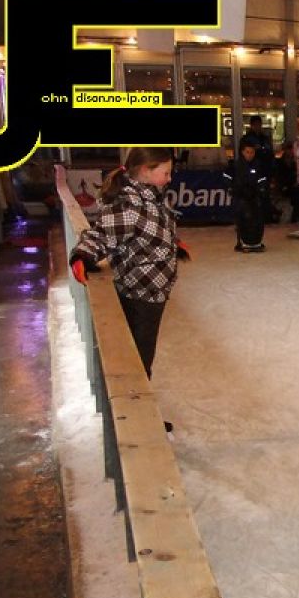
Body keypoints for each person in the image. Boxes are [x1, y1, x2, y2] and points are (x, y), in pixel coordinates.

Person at [68, 147, 190, 429]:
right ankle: (138, 422)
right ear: (146, 171)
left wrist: (172, 245)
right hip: (140, 295)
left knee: (141, 359)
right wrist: (82, 256)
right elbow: (101, 235)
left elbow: (150, 230)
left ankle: (139, 415)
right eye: (166, 173)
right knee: (137, 363)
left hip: (152, 291)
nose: (169, 178)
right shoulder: (129, 204)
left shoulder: (148, 196)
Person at [224, 143, 268, 252]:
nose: (250, 154)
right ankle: (242, 241)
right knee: (242, 217)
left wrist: (261, 189)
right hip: (240, 196)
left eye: (252, 152)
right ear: (243, 152)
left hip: (254, 196)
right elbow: (227, 177)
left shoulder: (258, 165)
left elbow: (262, 179)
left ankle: (256, 241)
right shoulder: (235, 165)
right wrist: (232, 188)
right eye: (247, 152)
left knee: (257, 218)